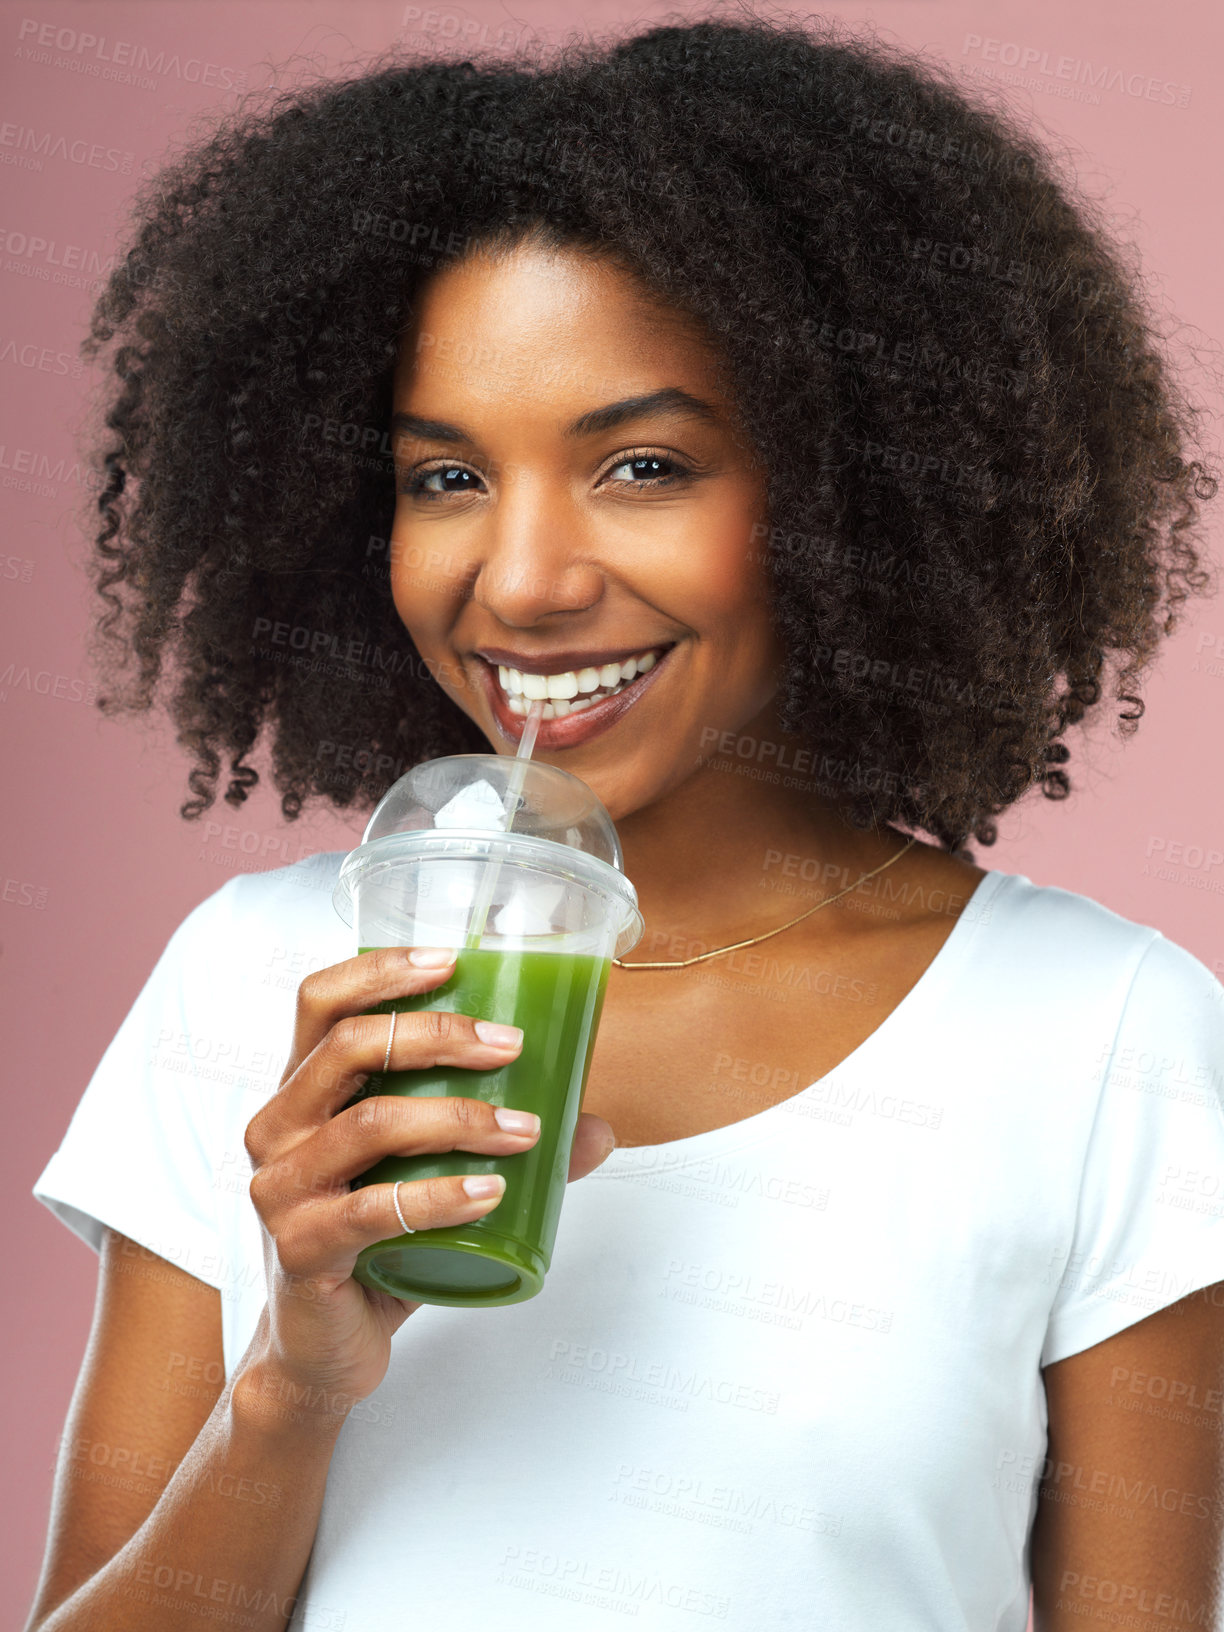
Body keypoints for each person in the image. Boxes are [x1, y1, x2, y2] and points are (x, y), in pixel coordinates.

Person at [25, 11, 1224, 1631]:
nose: (519, 582)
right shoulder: (251, 985)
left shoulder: (1107, 1039)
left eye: (642, 464)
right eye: (445, 478)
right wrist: (293, 1389)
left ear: (853, 487)